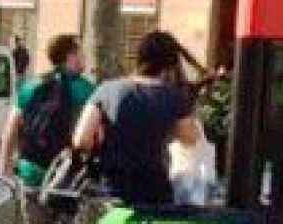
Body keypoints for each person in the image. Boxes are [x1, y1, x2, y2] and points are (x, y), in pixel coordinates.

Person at [72, 30, 203, 206]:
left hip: (110, 187)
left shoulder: (107, 89)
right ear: (170, 64)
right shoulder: (174, 97)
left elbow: (81, 140)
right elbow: (191, 139)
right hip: (153, 188)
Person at [0, 34, 95, 190]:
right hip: (66, 170)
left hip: (29, 166)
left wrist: (3, 168)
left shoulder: (31, 85)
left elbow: (10, 129)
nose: (85, 57)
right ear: (71, 56)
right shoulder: (86, 89)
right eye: (82, 52)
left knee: (30, 212)